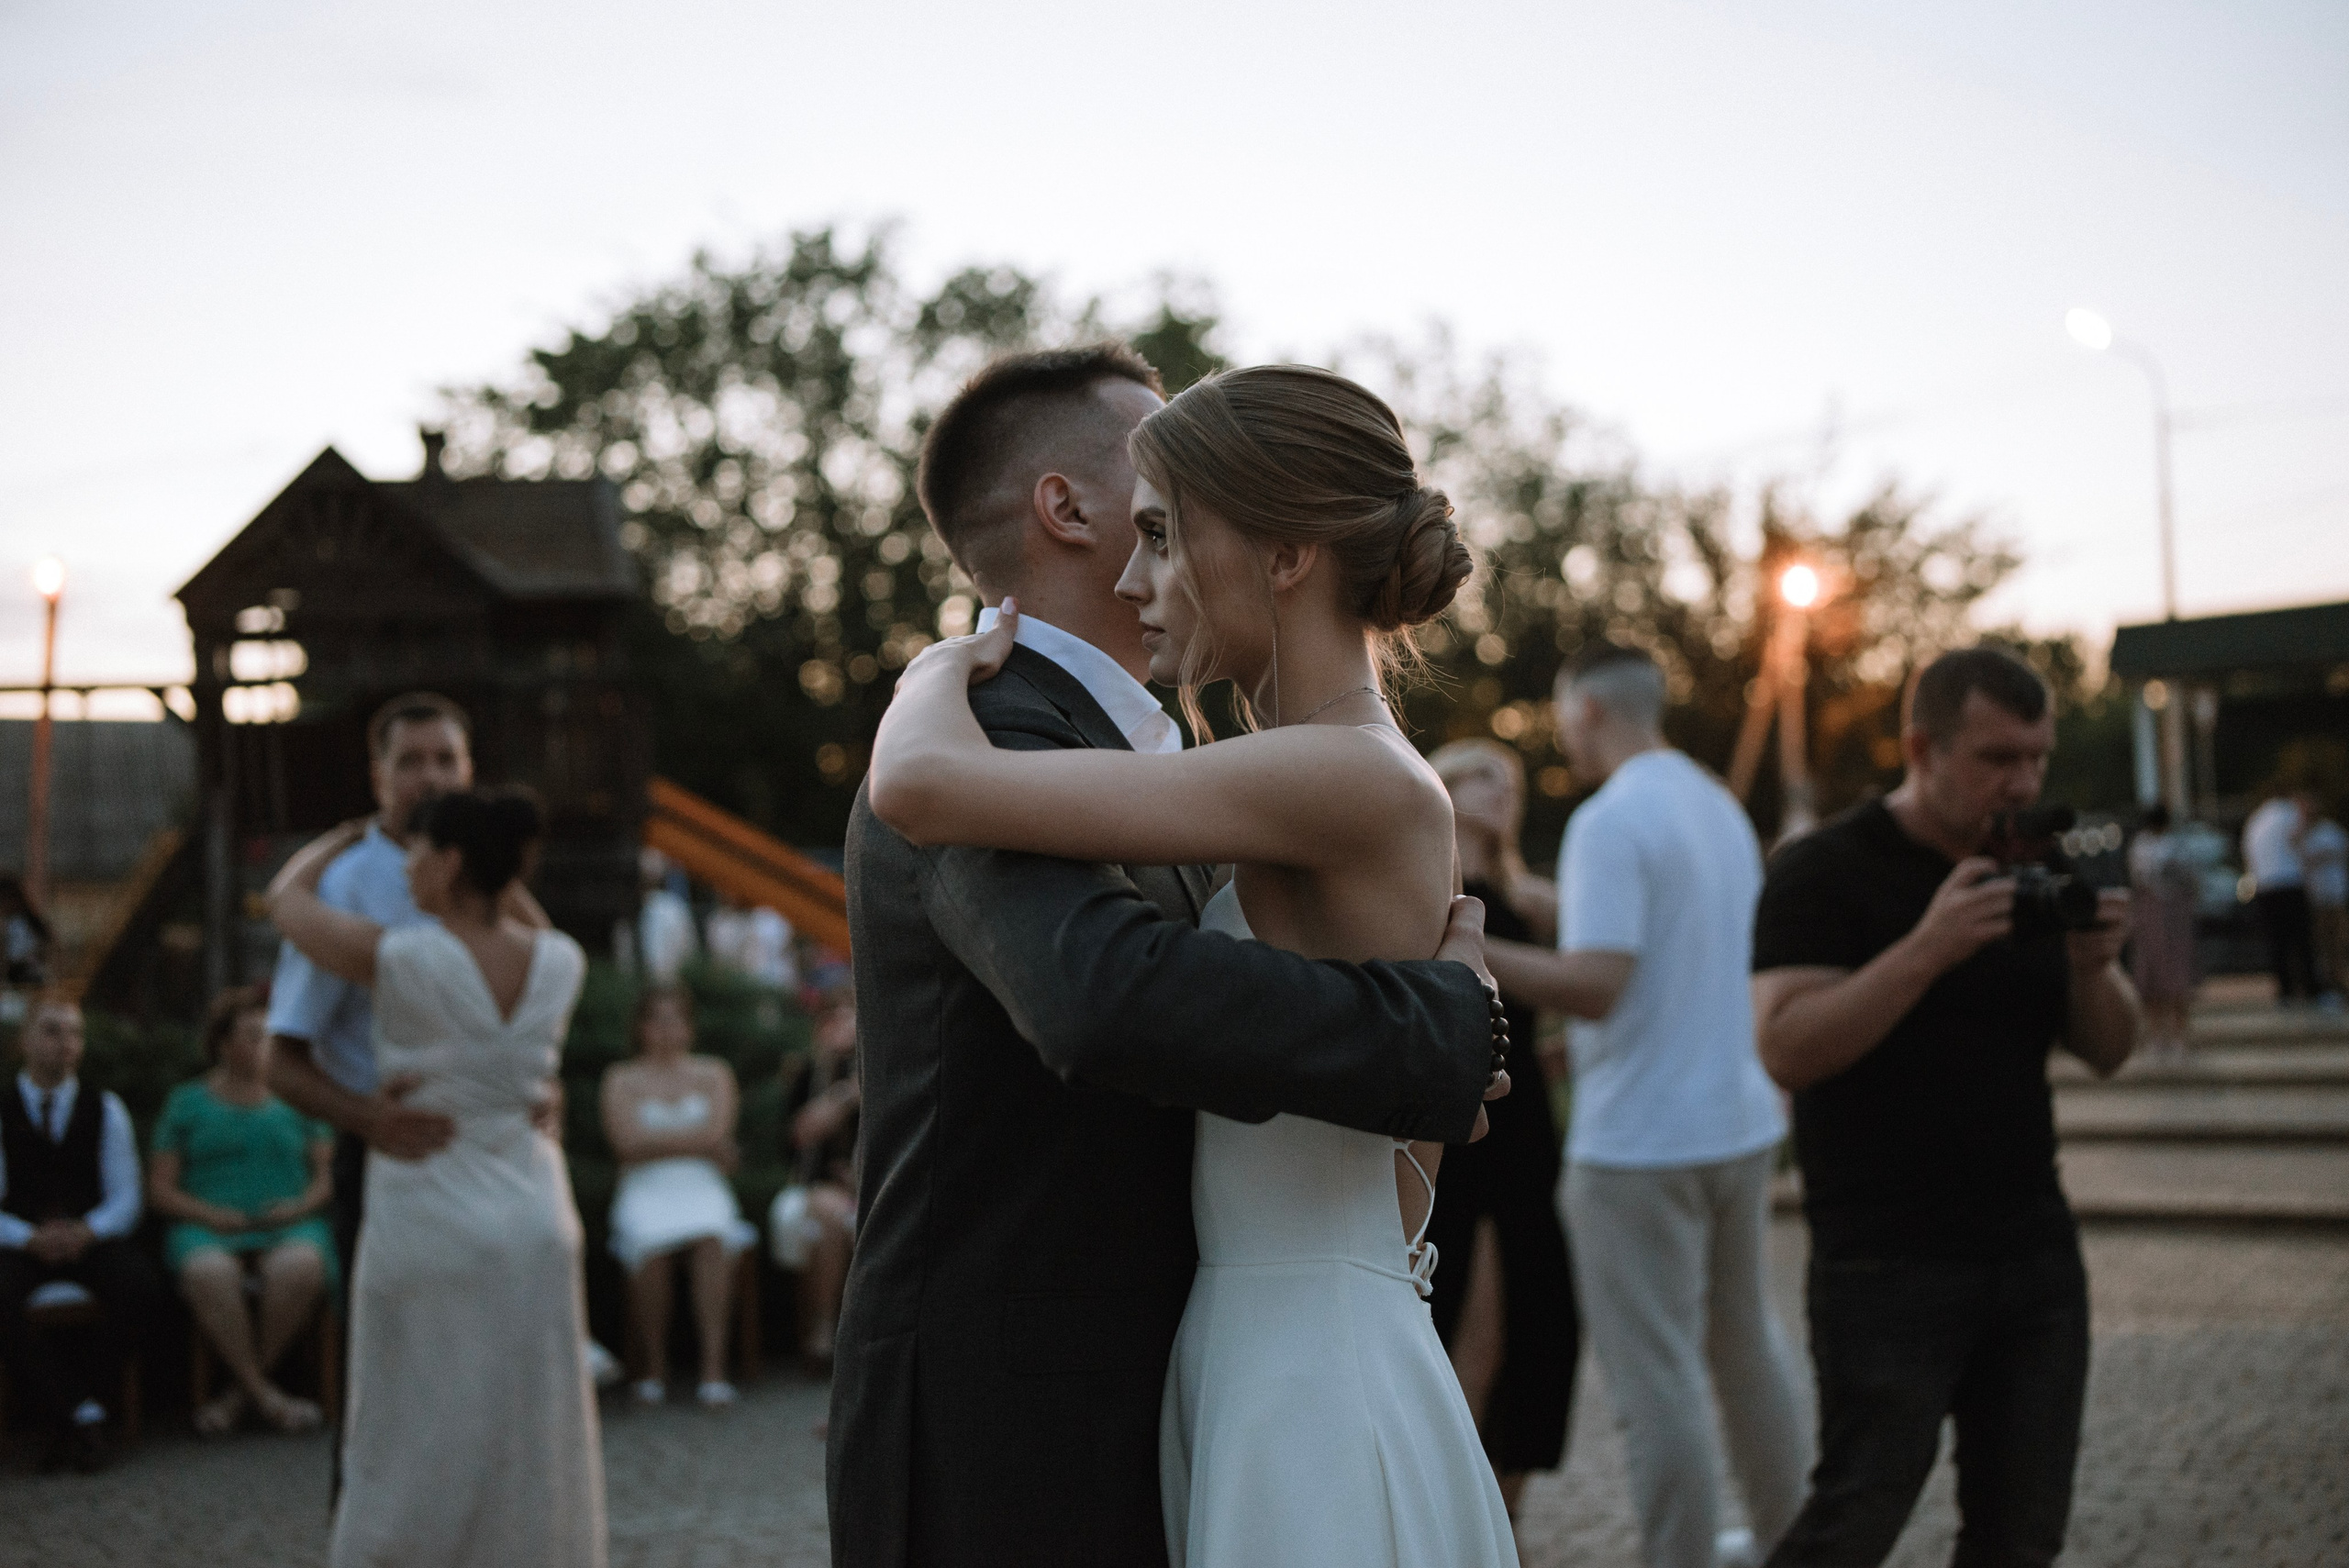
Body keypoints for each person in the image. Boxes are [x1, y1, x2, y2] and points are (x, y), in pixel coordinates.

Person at [863, 358, 1515, 1568]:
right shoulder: (1293, 771)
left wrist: (929, 672)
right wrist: (1440, 1035)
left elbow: (919, 783)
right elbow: (1405, 1152)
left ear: (1286, 555)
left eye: (1163, 536)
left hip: (1301, 1363)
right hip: (1276, 1334)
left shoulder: (1334, 771)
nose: (1136, 574)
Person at [1752, 647, 2139, 1567]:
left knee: (2021, 1536)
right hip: (1887, 1259)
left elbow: (2108, 1048)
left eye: (2037, 757)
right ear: (1921, 748)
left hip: (2033, 1251)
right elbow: (1786, 1045)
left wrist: (2093, 968)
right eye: (1998, 757)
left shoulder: (2031, 861)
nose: (2024, 782)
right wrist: (1928, 947)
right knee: (1854, 1521)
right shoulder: (1823, 868)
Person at [1482, 644, 1811, 1568]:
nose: (1561, 735)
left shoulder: (1608, 819)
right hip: (1738, 1122)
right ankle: (1793, 1540)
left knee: (1654, 1378)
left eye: (1561, 715)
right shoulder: (1716, 804)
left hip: (1638, 1143)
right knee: (1746, 1347)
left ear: (1586, 708)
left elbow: (1596, 984)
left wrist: (1462, 945)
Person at [269, 792, 603, 1568]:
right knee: (530, 1433)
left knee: (408, 1434)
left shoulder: (404, 957)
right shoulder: (561, 960)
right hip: (538, 1220)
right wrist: (495, 865)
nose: (405, 866)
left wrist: (344, 833)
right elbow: (524, 916)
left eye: (418, 851)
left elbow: (287, 901)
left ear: (450, 863)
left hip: (431, 1217)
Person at [1424, 739, 1578, 1519]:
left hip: (1528, 1126)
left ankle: (1506, 1515)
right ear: (1445, 787)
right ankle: (1451, 1514)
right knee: (1463, 1312)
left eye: (1508, 782)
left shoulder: (1530, 897)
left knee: (1541, 1318)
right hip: (1463, 1122)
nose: (1500, 790)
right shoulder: (1430, 882)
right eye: (1480, 776)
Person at [148, 985, 336, 1437]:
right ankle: (269, 1398)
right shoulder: (186, 1102)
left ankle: (237, 1398)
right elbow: (160, 1189)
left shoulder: (300, 1097)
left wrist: (296, 1207)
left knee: (301, 1266)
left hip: (289, 1224)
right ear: (223, 1043)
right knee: (209, 1273)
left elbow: (326, 1178)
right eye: (253, 1035)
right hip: (208, 1226)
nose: (265, 1045)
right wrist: (207, 1215)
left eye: (269, 1036)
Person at [0, 996, 155, 1472]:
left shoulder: (104, 1108)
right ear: (24, 1041)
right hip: (20, 1241)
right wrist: (30, 1238)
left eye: (74, 1033)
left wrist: (85, 1232)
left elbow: (127, 1197)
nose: (66, 1043)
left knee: (139, 1286)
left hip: (88, 1239)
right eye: (52, 1031)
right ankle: (79, 1413)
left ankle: (80, 1409)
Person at [600, 984, 756, 1407]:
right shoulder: (621, 1078)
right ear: (640, 1026)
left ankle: (713, 1371)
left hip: (701, 1184)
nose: (666, 1029)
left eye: (675, 1019)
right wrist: (700, 1144)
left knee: (713, 1238)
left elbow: (719, 1133)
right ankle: (655, 1368)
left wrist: (655, 1142)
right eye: (656, 1019)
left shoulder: (714, 1072)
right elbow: (624, 1145)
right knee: (650, 1245)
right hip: (645, 1186)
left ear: (689, 1026)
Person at [771, 978, 858, 1364]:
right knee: (829, 1212)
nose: (839, 1024)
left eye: (846, 1015)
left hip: (868, 1180)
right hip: (825, 1183)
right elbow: (800, 1134)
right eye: (830, 1017)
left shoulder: (879, 1068)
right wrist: (842, 1094)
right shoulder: (810, 1072)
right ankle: (826, 1324)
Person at [2126, 804, 2200, 1059]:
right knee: (2155, 977)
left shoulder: (2165, 846)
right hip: (2158, 914)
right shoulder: (2150, 846)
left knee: (2173, 976)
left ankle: (2173, 1036)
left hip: (2167, 915)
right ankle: (2162, 1036)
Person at [2242, 787, 2317, 1003]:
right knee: (2301, 940)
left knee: (2277, 942)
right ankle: (2310, 988)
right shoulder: (2288, 813)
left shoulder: (2255, 820)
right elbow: (2298, 838)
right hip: (2289, 883)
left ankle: (2285, 989)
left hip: (2265, 887)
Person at [2297, 795, 2346, 1006]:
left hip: (2334, 896)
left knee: (2337, 943)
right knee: (2320, 944)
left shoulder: (2329, 830)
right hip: (2315, 898)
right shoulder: (2302, 834)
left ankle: (2338, 984)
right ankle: (2326, 986)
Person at [707, 893, 798, 992]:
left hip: (774, 981)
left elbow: (787, 949)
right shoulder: (721, 921)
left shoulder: (770, 917)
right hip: (743, 983)